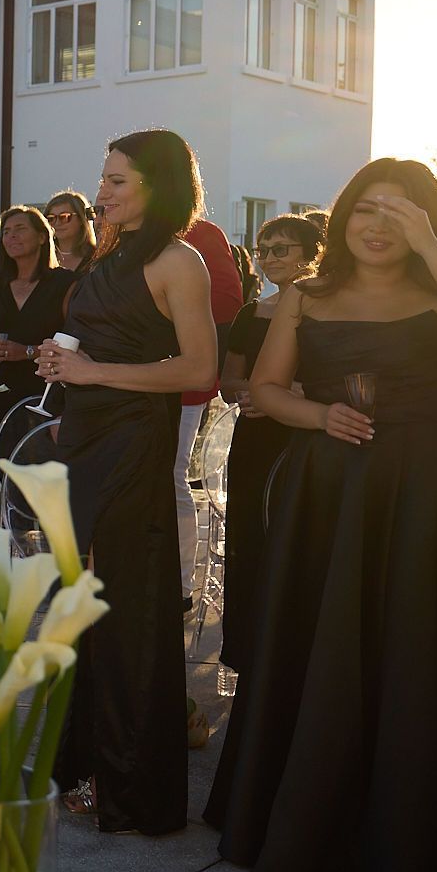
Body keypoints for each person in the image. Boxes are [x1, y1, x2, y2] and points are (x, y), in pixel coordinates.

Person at [206, 159, 437, 872]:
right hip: (326, 489)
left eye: (401, 212)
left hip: (422, 493)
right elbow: (265, 391)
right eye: (366, 209)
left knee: (411, 648)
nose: (379, 225)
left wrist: (435, 245)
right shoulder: (305, 294)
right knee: (319, 646)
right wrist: (318, 417)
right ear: (343, 217)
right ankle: (301, 826)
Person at [34, 129, 218, 835]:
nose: (101, 192)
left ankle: (129, 784)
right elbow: (98, 344)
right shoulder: (111, 255)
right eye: (103, 178)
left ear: (156, 185)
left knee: (126, 608)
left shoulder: (179, 260)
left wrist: (92, 373)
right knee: (81, 602)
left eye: (116, 181)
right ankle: (84, 766)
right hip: (83, 436)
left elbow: (199, 370)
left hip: (132, 443)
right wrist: (63, 367)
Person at [216, 212, 322, 679]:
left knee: (298, 541)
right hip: (255, 438)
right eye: (264, 250)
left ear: (312, 253)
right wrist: (251, 394)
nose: (269, 258)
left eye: (281, 249)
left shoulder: (326, 310)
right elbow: (228, 380)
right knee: (248, 541)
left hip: (306, 436)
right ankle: (249, 653)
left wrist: (290, 393)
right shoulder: (251, 313)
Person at [0, 205, 73, 524]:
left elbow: (74, 342)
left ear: (43, 237)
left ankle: (41, 542)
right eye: (6, 231)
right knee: (0, 469)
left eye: (20, 229)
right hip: (5, 392)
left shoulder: (65, 284)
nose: (11, 236)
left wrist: (27, 351)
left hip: (49, 391)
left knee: (43, 471)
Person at [176, 217, 243, 617]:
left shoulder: (200, 233)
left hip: (181, 383)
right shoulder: (120, 234)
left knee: (171, 477)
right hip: (121, 382)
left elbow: (228, 300)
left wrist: (164, 309)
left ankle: (181, 585)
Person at [45, 190, 98, 271]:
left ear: (81, 219)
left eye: (64, 217)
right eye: (51, 218)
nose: (57, 223)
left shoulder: (96, 256)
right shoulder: (42, 255)